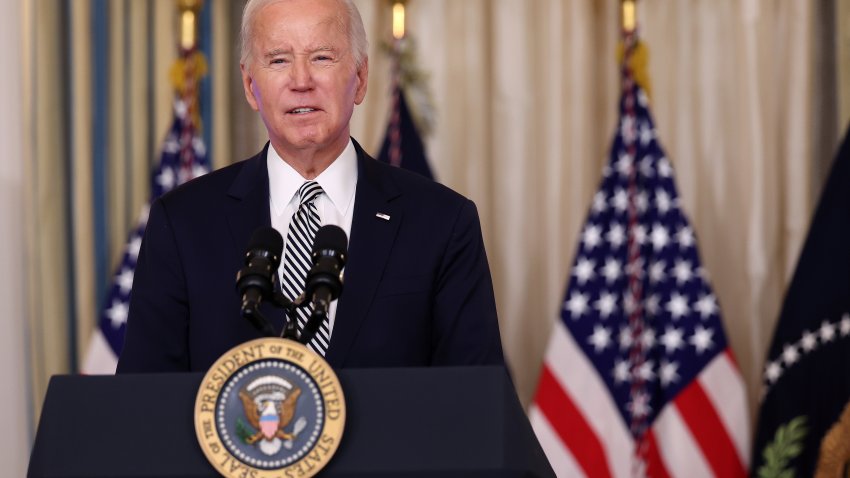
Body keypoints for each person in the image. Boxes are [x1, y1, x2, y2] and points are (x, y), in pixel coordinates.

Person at [117, 0, 504, 373]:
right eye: (279, 60)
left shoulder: (443, 222)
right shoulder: (183, 223)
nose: (301, 81)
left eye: (322, 57)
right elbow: (144, 407)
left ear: (361, 79)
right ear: (251, 86)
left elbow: (476, 404)